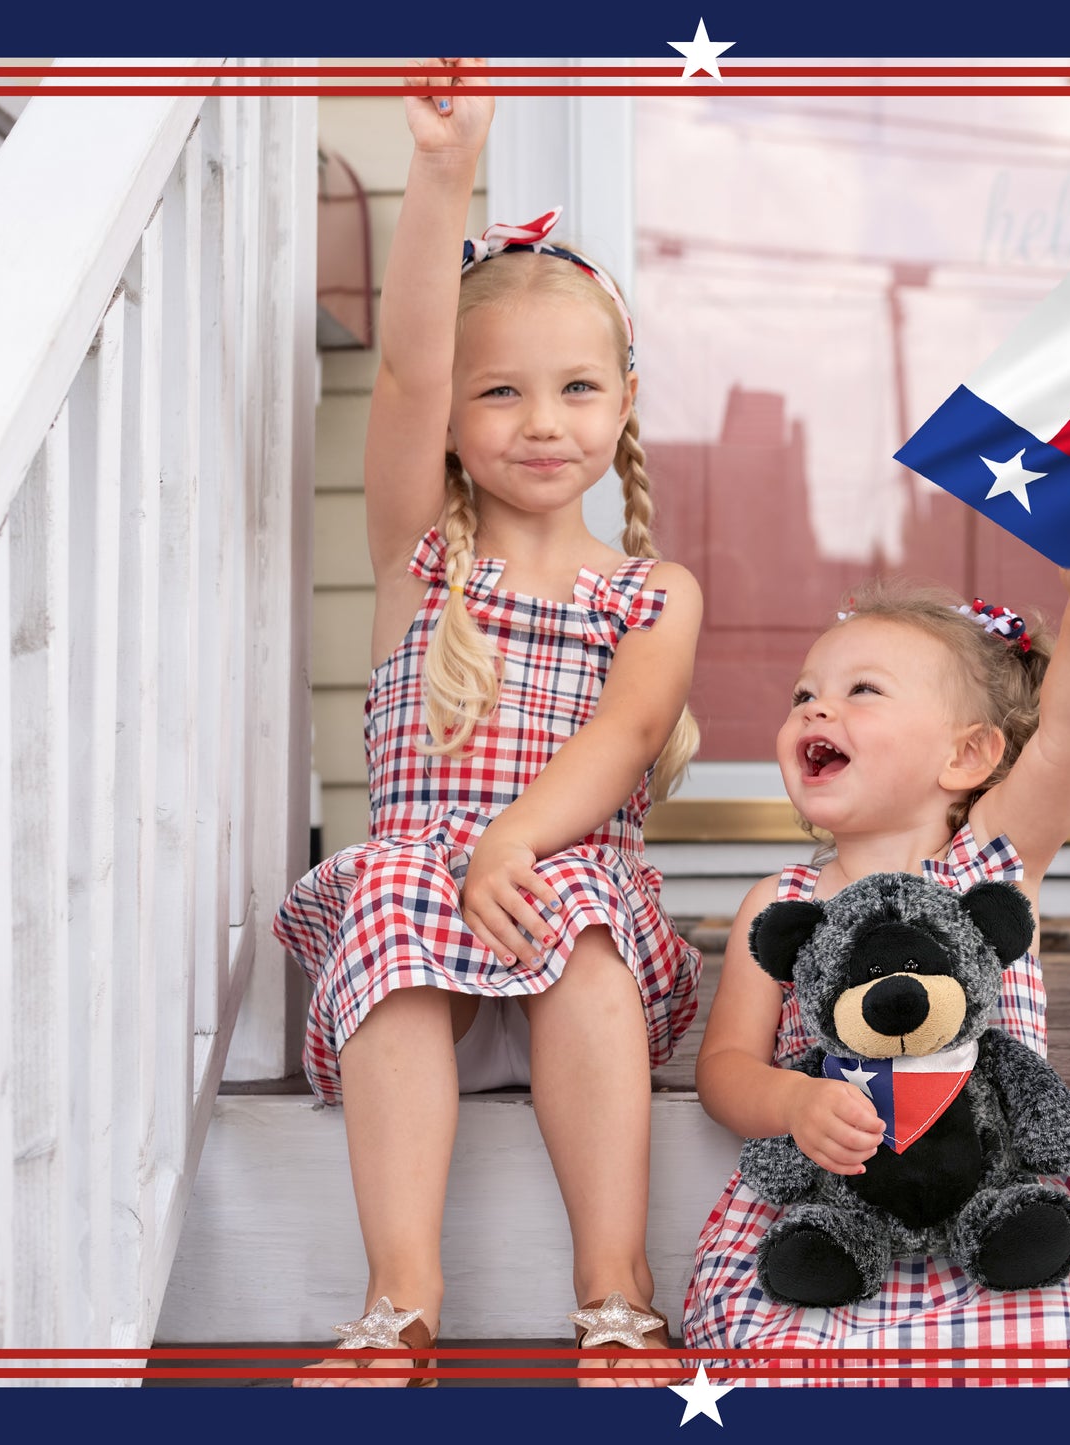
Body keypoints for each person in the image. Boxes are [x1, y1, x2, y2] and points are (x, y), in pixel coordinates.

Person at [276, 58, 703, 1386]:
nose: (541, 422)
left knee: (574, 915)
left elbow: (624, 740)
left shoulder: (651, 591)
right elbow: (403, 366)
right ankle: (401, 1298)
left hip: (567, 910)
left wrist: (512, 840)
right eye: (500, 392)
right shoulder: (421, 556)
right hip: (426, 913)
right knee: (400, 884)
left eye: (577, 389)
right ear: (455, 423)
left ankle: (616, 1291)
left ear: (623, 402)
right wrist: (444, 172)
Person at [683, 527, 1070, 1387]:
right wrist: (791, 1099)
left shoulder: (988, 857)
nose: (816, 711)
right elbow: (722, 1068)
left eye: (861, 690)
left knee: (1040, 1347)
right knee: (778, 1358)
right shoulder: (782, 902)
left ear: (966, 753)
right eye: (804, 695)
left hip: (995, 1204)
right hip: (833, 1211)